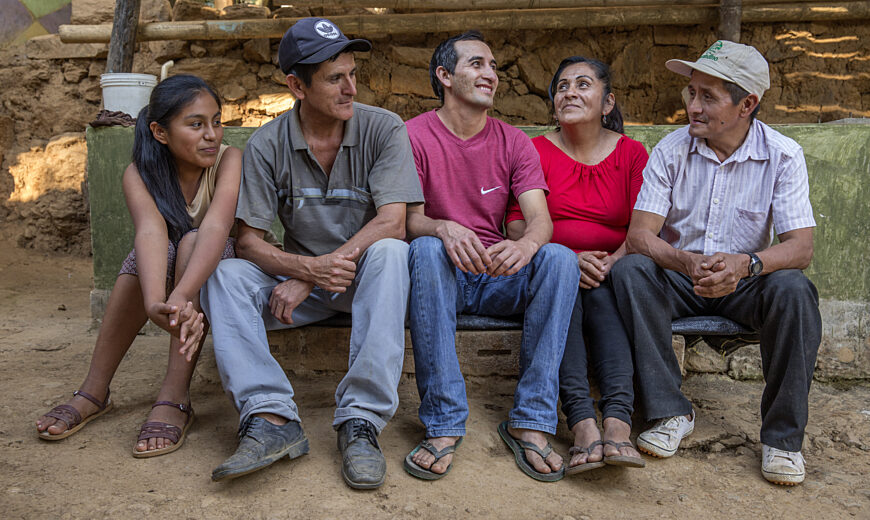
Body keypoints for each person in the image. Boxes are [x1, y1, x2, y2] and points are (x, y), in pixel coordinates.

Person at [200, 18, 423, 489]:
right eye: (334, 77)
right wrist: (304, 269)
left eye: (353, 73)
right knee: (225, 276)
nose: (350, 88)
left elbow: (393, 222)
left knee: (390, 252)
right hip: (302, 288)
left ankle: (360, 422)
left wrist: (317, 272)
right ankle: (270, 418)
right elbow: (249, 241)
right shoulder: (267, 144)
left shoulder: (384, 128)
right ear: (296, 86)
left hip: (364, 282)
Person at [610, 40, 820, 486]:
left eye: (708, 96)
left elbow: (801, 247)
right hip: (681, 277)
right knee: (631, 270)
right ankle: (670, 411)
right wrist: (683, 261)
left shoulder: (783, 155)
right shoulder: (670, 150)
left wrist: (747, 265)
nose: (693, 106)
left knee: (795, 290)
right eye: (691, 92)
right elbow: (640, 236)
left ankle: (782, 440)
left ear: (747, 104)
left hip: (745, 282)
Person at [403, 31, 580, 483]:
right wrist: (442, 227)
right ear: (444, 76)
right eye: (477, 64)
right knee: (424, 247)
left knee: (559, 257)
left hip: (497, 272)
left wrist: (524, 246)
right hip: (441, 275)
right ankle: (443, 421)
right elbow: (405, 220)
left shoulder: (514, 141)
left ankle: (531, 418)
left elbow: (540, 220)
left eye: (494, 66)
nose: (491, 74)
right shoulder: (412, 135)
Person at [36, 74, 240, 458]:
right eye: (196, 124)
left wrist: (178, 296)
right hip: (177, 266)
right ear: (160, 132)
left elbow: (217, 227)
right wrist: (153, 304)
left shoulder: (229, 159)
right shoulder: (140, 173)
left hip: (223, 266)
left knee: (193, 240)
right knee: (146, 258)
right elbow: (150, 234)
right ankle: (94, 391)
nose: (212, 134)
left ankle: (175, 396)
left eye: (216, 120)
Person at [505, 56, 647, 474]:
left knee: (601, 296)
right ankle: (583, 422)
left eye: (583, 84)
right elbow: (515, 222)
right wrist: (567, 259)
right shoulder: (535, 150)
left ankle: (618, 423)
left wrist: (610, 262)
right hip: (553, 265)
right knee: (565, 289)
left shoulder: (633, 154)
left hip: (614, 268)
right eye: (562, 86)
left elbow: (647, 224)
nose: (569, 92)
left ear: (608, 102)